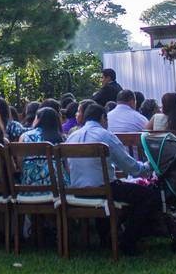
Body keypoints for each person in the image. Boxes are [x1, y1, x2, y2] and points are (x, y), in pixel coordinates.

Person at [66, 103, 157, 255]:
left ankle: (107, 237)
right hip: (104, 190)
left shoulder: (71, 137)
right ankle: (128, 240)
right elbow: (130, 167)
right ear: (103, 118)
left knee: (120, 188)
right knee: (149, 196)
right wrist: (149, 166)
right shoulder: (105, 136)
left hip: (77, 191)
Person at [19, 107, 68, 188]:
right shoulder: (62, 138)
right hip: (60, 189)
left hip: (30, 187)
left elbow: (20, 163)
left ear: (38, 120)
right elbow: (66, 165)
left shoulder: (24, 136)